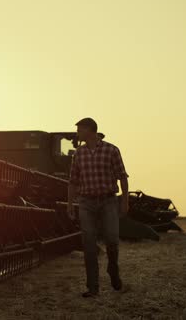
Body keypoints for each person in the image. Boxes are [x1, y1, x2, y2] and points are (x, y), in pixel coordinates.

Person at [67, 117, 129, 298]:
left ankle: (113, 268)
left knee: (111, 239)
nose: (78, 133)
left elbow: (122, 177)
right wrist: (70, 204)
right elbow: (73, 181)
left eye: (80, 130)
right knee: (89, 243)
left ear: (89, 130)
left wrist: (125, 201)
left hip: (108, 200)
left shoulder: (111, 150)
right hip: (86, 202)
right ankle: (93, 287)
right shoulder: (78, 154)